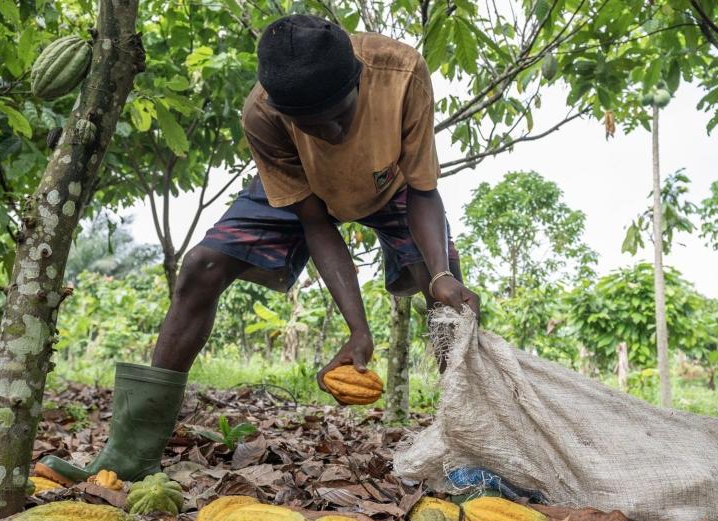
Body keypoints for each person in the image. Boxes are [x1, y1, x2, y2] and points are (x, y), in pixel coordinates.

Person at [38, 14, 480, 483]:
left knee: (448, 301)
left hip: (392, 186)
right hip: (304, 189)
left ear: (359, 81)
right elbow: (316, 221)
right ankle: (130, 453)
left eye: (340, 116)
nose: (331, 134)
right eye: (314, 126)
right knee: (201, 266)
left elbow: (424, 190)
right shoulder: (263, 114)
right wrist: (358, 331)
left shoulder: (401, 73)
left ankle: (471, 453)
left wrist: (439, 276)